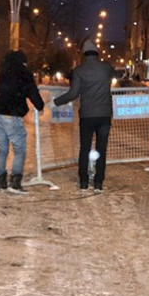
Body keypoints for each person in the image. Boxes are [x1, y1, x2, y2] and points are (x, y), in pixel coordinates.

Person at [52, 40, 116, 192]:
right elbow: (114, 73)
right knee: (101, 148)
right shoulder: (105, 68)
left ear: (84, 54)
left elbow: (73, 93)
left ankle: (83, 181)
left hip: (87, 115)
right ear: (97, 53)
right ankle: (99, 182)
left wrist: (56, 101)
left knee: (85, 148)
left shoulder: (79, 71)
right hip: (104, 115)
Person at [0, 50, 45, 194]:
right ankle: (15, 182)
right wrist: (40, 106)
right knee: (19, 150)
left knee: (2, 149)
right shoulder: (24, 73)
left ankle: (0, 180)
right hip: (11, 115)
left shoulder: (3, 72)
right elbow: (32, 92)